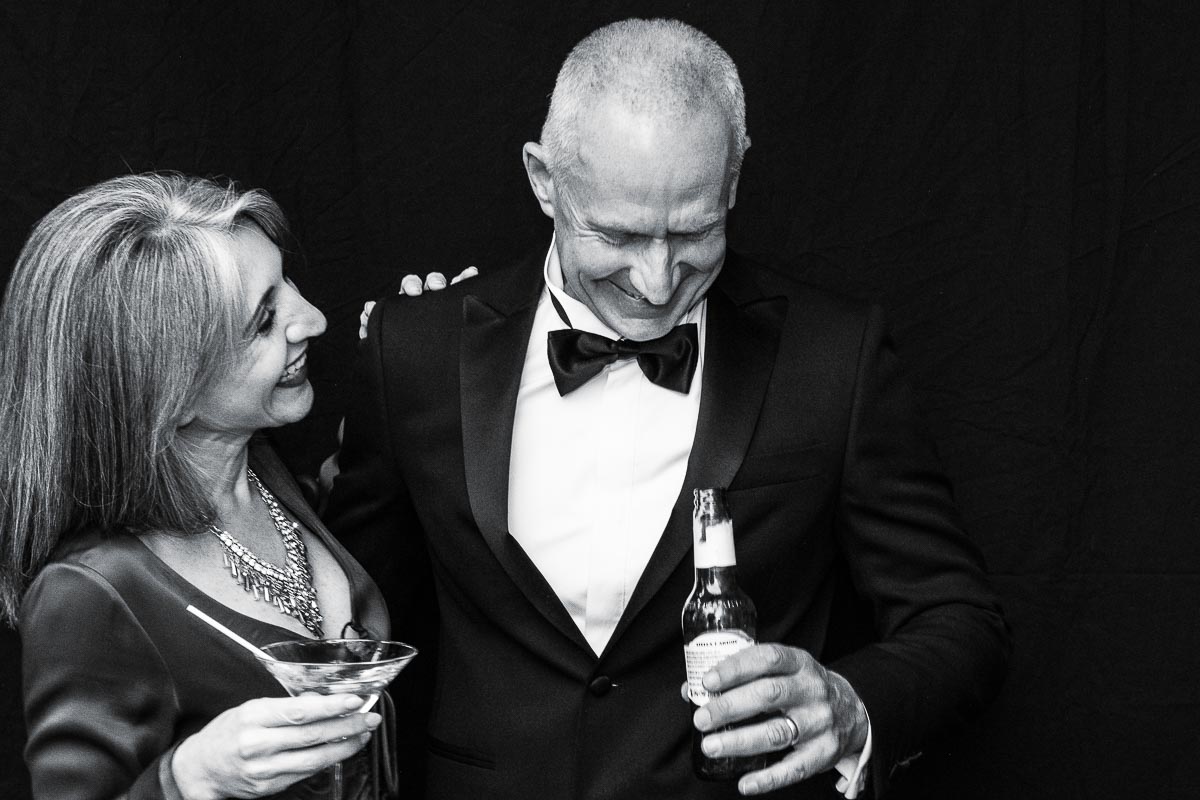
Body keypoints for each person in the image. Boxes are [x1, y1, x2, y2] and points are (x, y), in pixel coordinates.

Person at [326, 18, 1010, 800]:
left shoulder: (834, 357)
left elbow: (962, 624)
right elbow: (351, 616)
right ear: (543, 180)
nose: (657, 282)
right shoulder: (414, 349)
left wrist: (854, 706)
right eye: (616, 235)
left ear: (735, 179)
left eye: (694, 232)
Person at [0, 173, 395, 800]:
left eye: (287, 283)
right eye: (264, 321)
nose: (313, 321)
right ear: (168, 390)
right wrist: (190, 779)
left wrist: (420, 374)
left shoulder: (264, 476)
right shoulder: (90, 594)